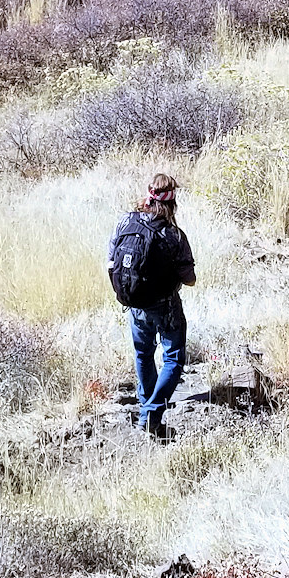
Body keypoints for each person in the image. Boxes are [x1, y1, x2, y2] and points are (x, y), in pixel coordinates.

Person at [107, 174, 197, 441]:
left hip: (134, 302)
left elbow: (111, 261)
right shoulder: (173, 235)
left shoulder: (126, 222)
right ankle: (151, 414)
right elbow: (190, 280)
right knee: (174, 358)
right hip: (166, 306)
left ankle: (147, 406)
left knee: (144, 354)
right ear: (172, 203)